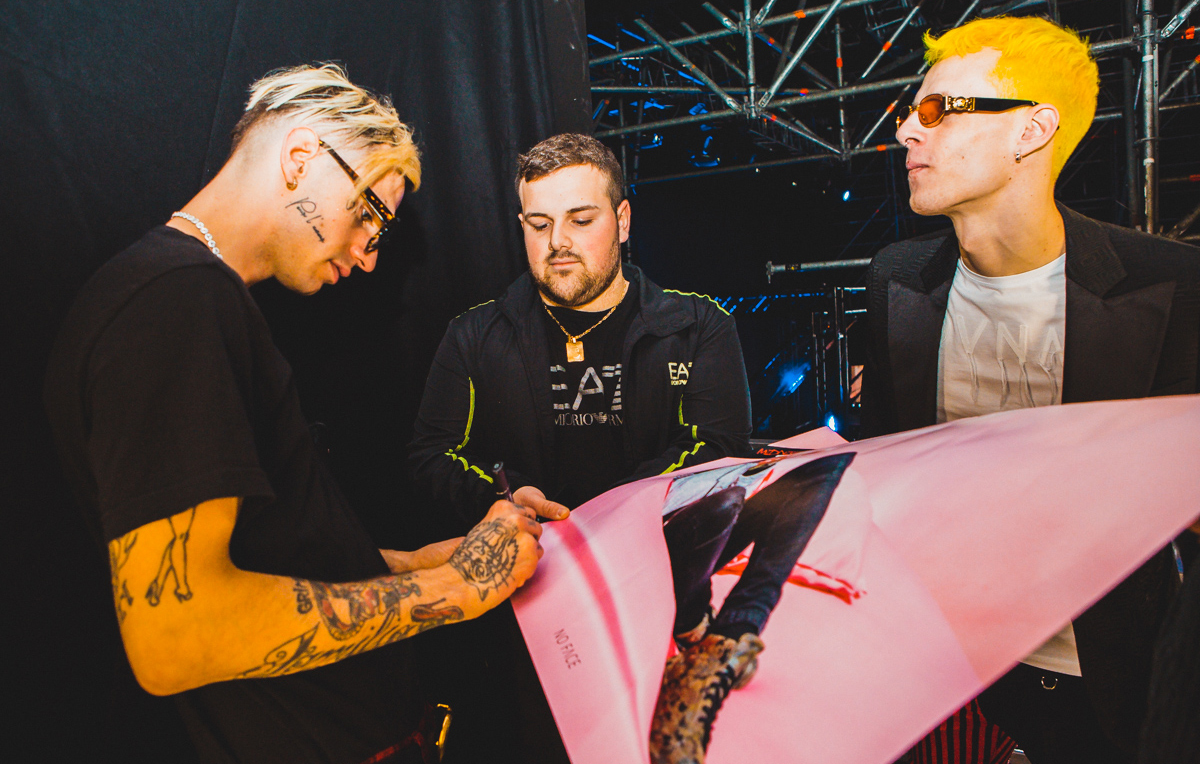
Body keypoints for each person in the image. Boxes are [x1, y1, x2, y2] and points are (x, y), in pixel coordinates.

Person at [43, 63, 544, 764]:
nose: (369, 256)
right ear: (301, 156)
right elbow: (177, 636)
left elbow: (262, 557)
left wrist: (411, 563)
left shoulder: (193, 300)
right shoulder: (175, 302)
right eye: (369, 213)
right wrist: (456, 588)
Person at [411, 133, 835, 763]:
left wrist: (606, 516)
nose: (558, 241)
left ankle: (725, 640)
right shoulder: (474, 335)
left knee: (815, 479)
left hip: (654, 596)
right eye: (539, 224)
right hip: (522, 621)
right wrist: (503, 497)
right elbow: (431, 457)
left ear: (623, 220)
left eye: (581, 220)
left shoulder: (696, 326)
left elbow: (716, 449)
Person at [862, 16, 1200, 764]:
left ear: (1031, 131)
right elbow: (886, 469)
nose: (906, 133)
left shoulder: (1172, 285)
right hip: (952, 678)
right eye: (909, 113)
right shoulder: (896, 280)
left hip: (1113, 686)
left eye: (937, 110)